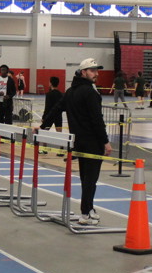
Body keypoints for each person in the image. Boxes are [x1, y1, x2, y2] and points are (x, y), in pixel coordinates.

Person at [39, 58, 111, 225]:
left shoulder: (71, 91)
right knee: (90, 179)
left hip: (78, 142)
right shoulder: (90, 93)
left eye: (97, 70)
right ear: (83, 72)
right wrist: (105, 141)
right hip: (92, 142)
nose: (96, 74)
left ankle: (89, 208)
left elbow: (56, 109)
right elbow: (97, 120)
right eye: (92, 71)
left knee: (86, 178)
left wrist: (43, 126)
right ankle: (85, 213)